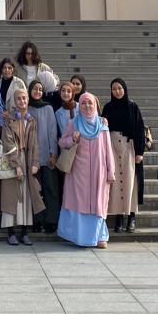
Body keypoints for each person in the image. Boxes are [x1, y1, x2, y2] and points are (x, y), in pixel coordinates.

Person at [57, 92, 114, 249]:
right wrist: (72, 139)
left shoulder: (102, 124)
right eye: (83, 103)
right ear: (79, 105)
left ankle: (99, 236)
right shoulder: (73, 123)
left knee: (98, 203)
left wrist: (111, 171)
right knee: (79, 203)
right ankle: (78, 236)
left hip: (98, 171)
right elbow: (61, 142)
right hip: (77, 172)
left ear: (95, 105)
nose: (87, 106)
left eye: (90, 103)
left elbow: (108, 149)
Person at [0, 88, 45, 246]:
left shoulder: (31, 121)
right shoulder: (9, 122)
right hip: (13, 160)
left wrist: (35, 163)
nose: (22, 101)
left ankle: (24, 232)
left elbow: (35, 144)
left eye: (24, 98)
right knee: (11, 196)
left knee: (26, 197)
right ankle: (10, 232)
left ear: (28, 101)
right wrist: (16, 165)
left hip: (27, 159)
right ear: (14, 102)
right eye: (19, 99)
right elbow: (8, 144)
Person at [103, 78, 146, 233]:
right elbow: (103, 129)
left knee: (130, 182)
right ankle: (119, 217)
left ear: (125, 89)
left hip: (130, 147)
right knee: (116, 182)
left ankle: (131, 216)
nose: (117, 91)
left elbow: (140, 129)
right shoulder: (108, 108)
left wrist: (140, 153)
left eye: (120, 88)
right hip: (112, 145)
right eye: (114, 89)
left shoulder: (133, 107)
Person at [27, 79, 61, 234]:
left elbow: (53, 132)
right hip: (31, 157)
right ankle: (37, 220)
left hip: (47, 156)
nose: (38, 92)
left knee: (50, 189)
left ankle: (51, 220)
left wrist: (53, 154)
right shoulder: (25, 108)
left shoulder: (48, 108)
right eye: (35, 89)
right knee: (35, 191)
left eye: (40, 90)